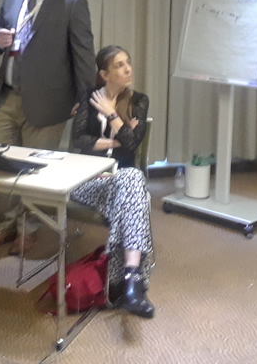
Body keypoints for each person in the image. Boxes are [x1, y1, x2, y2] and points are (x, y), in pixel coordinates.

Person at [0, 0, 96, 255]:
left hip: (49, 102)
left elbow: (84, 55)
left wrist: (85, 101)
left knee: (33, 172)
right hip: (7, 95)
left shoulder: (72, 1)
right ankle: (4, 228)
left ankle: (27, 231)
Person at [70, 45, 155, 318]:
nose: (128, 69)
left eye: (128, 62)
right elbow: (78, 140)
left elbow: (132, 144)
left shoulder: (139, 101)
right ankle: (132, 283)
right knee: (134, 192)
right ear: (105, 74)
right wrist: (113, 141)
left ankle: (128, 281)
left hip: (121, 181)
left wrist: (111, 114)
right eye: (119, 65)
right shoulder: (89, 97)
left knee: (131, 179)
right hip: (89, 180)